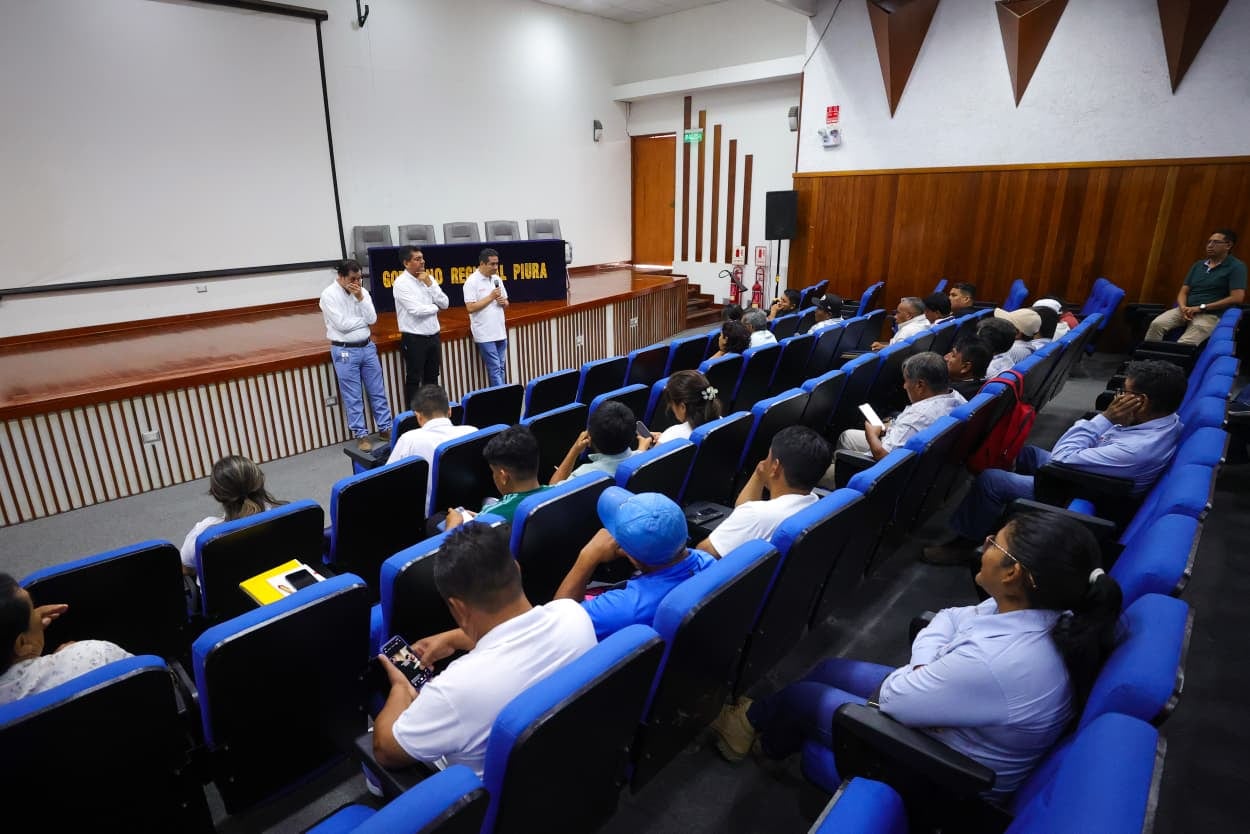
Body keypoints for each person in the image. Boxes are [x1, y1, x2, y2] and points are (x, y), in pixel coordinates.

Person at [713, 513, 1123, 804]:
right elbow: (950, 617)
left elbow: (894, 698)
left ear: (1014, 573)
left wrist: (922, 668)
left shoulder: (1003, 660)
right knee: (830, 669)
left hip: (946, 773)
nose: (984, 546)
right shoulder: (1038, 608)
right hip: (954, 713)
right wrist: (927, 665)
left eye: (995, 543)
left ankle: (751, 735)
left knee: (805, 698)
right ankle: (768, 734)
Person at [371, 523, 596, 777]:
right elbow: (518, 636)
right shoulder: (573, 615)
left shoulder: (455, 689)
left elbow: (385, 750)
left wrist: (402, 687)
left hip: (486, 805)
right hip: (565, 771)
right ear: (517, 570)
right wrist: (456, 639)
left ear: (458, 608)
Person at [923, 360, 1185, 565]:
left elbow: (1062, 457)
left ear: (1141, 401)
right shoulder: (1166, 421)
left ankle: (964, 544)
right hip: (1094, 471)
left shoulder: (1137, 449)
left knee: (992, 480)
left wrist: (1104, 419)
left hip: (1086, 492)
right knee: (1027, 454)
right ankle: (1000, 516)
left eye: (1124, 392)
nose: (1118, 397)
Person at [554, 488, 716, 639]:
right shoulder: (707, 561)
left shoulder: (619, 609)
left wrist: (587, 558)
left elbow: (556, 627)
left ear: (634, 559)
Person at [696, 427, 832, 558]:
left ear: (775, 466)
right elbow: (742, 512)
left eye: (768, 456)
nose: (763, 462)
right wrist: (758, 473)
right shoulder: (815, 502)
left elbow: (704, 553)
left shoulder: (756, 515)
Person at [0, 574, 132, 705]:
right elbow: (144, 676)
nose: (37, 613)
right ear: (21, 643)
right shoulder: (95, 653)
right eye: (32, 609)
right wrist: (64, 660)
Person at [833, 352, 966, 461]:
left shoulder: (917, 416)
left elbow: (883, 456)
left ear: (920, 385)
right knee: (848, 436)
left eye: (906, 381)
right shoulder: (957, 397)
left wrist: (872, 435)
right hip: (927, 458)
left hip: (886, 466)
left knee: (846, 441)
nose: (904, 386)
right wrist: (891, 426)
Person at [320, 259, 393, 452]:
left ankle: (385, 428)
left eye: (360, 278)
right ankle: (361, 435)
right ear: (341, 277)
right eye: (353, 278)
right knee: (353, 396)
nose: (357, 282)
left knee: (377, 390)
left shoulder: (362, 292)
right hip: (344, 350)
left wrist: (361, 298)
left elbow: (373, 319)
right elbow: (341, 325)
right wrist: (362, 321)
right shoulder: (328, 295)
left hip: (367, 347)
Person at [180, 455, 286, 580]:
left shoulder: (204, 535)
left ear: (216, 494)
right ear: (260, 480)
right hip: (281, 592)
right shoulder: (288, 514)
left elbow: (185, 568)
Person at [1145, 229, 1246, 345]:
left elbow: (1237, 298)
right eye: (1209, 242)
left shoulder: (1236, 267)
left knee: (1184, 343)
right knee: (1157, 324)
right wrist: (1183, 307)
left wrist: (1200, 308)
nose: (1210, 245)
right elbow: (1183, 291)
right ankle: (1147, 360)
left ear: (1228, 245)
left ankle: (1168, 363)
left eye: (1215, 242)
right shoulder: (1198, 265)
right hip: (1186, 310)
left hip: (1210, 315)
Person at [443, 425, 549, 531]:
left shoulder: (488, 517)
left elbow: (456, 546)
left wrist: (452, 527)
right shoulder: (558, 492)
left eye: (493, 472)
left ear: (503, 476)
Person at [387, 385, 478, 500]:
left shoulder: (409, 440)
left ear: (418, 417)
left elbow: (387, 482)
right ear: (450, 411)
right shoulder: (472, 432)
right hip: (471, 504)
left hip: (429, 515)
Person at [393, 246, 449, 408]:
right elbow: (415, 311)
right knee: (414, 378)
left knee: (432, 377)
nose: (422, 261)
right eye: (417, 259)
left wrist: (430, 285)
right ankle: (413, 415)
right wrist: (434, 307)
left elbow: (445, 303)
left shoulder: (428, 279)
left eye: (422, 258)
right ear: (406, 263)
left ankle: (433, 411)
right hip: (414, 338)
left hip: (433, 336)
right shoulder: (401, 283)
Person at [551, 401, 641, 485]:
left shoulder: (582, 475)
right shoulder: (643, 460)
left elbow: (551, 492)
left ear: (589, 439)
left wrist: (574, 450)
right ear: (633, 433)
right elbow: (639, 453)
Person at [462, 248, 510, 387]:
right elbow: (470, 308)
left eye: (497, 264)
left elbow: (506, 302)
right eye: (492, 264)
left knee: (501, 367)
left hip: (500, 331)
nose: (495, 267)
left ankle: (502, 393)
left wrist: (503, 302)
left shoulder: (497, 279)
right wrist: (491, 297)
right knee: (495, 369)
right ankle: (501, 397)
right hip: (484, 333)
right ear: (482, 264)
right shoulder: (472, 282)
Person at [650, 370, 723, 445]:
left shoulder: (672, 434)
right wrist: (664, 438)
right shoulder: (720, 421)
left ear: (682, 407)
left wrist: (642, 448)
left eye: (672, 404)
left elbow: (651, 456)